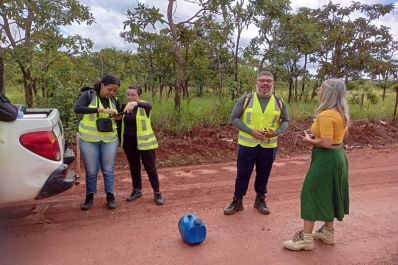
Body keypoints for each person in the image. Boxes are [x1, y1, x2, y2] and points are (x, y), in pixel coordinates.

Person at [283, 78, 350, 251]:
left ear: (328, 92)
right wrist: (317, 138)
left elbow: (326, 143)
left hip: (326, 158)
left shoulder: (326, 114)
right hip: (338, 156)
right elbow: (336, 139)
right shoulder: (341, 113)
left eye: (322, 88)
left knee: (310, 193)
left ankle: (306, 239)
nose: (319, 90)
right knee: (331, 192)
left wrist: (309, 140)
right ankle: (328, 232)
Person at [224, 71, 289, 215]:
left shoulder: (279, 102)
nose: (265, 83)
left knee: (264, 174)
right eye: (262, 80)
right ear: (256, 83)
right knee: (243, 173)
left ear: (273, 84)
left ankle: (260, 199)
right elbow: (234, 118)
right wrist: (250, 131)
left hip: (269, 145)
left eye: (268, 81)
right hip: (247, 144)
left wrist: (277, 132)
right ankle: (237, 201)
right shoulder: (246, 99)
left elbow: (286, 121)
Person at [74, 75, 121, 210]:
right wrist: (100, 110)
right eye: (109, 89)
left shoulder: (114, 100)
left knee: (108, 169)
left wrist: (118, 116)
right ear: (102, 85)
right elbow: (78, 109)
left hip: (109, 140)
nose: (112, 93)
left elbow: (117, 118)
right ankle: (89, 197)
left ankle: (110, 196)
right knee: (92, 171)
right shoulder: (88, 95)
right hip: (89, 140)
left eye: (115, 91)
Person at [120, 84, 164, 205]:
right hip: (129, 143)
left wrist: (135, 103)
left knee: (150, 168)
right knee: (134, 167)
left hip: (145, 143)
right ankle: (137, 190)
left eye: (133, 95)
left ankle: (157, 192)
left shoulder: (144, 106)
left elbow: (149, 105)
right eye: (128, 94)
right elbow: (119, 123)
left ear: (139, 95)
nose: (130, 97)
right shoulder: (124, 106)